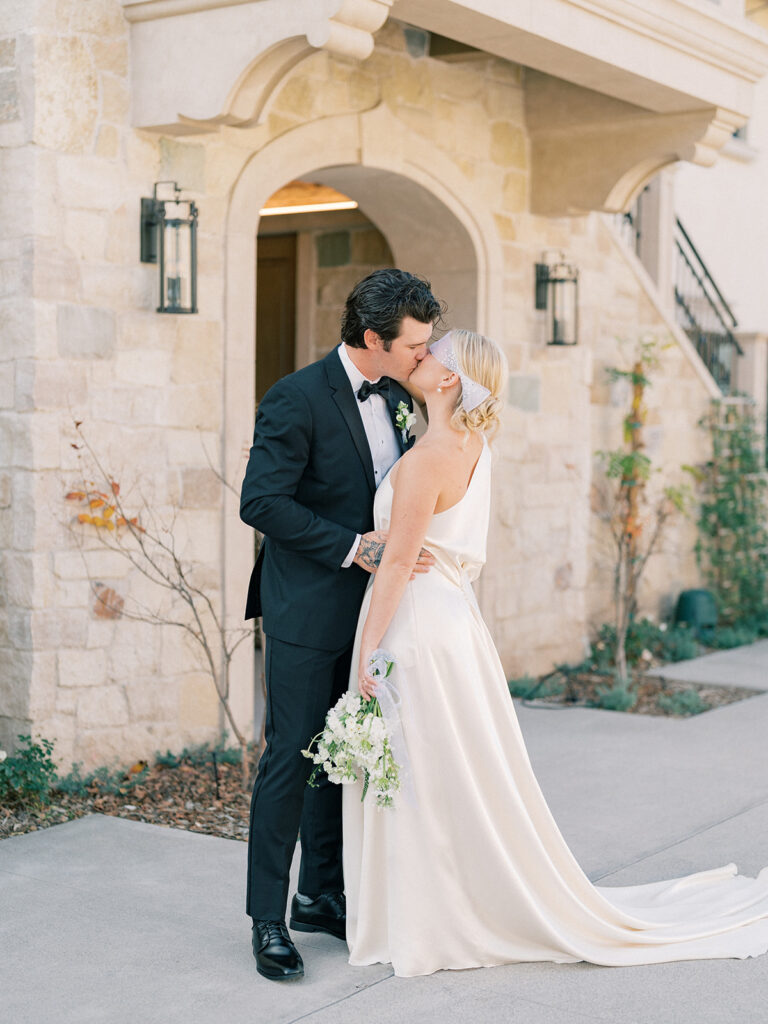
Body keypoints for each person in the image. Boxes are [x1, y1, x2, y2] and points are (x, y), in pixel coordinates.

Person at [343, 327, 768, 978]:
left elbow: (400, 563)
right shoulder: (472, 444)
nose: (420, 356)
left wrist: (369, 649)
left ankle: (428, 920)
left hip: (418, 626)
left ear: (451, 380)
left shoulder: (430, 456)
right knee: (450, 773)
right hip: (456, 623)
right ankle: (441, 905)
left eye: (433, 354)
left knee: (423, 775)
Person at [239, 268, 442, 981]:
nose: (425, 356)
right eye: (415, 346)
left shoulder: (402, 395)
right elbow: (260, 503)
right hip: (304, 611)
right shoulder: (294, 398)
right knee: (292, 757)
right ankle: (267, 919)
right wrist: (353, 547)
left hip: (372, 614)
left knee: (342, 758)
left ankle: (321, 895)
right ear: (371, 339)